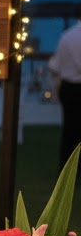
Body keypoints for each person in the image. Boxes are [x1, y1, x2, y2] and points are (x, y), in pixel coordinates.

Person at [49, 16, 81, 171]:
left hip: (68, 88)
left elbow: (56, 65)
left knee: (69, 129)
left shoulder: (66, 36)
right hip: (76, 88)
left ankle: (66, 169)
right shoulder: (74, 36)